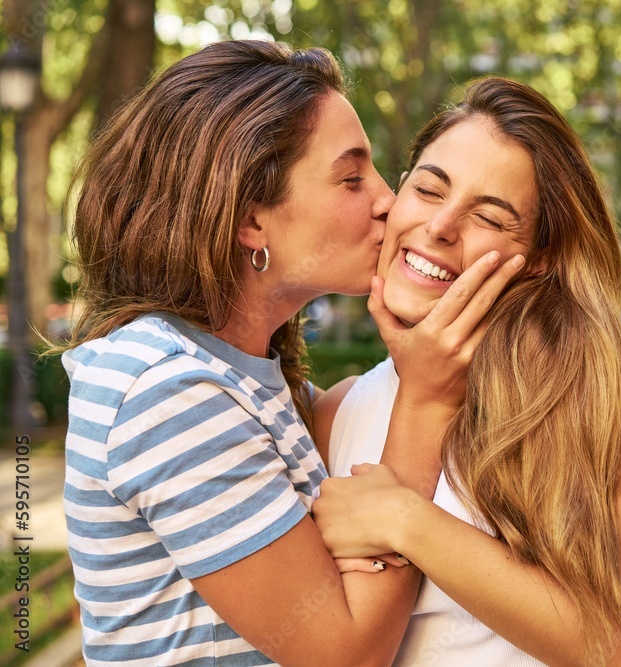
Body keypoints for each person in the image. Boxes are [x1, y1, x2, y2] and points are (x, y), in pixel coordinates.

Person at [59, 40, 522, 666]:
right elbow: (346, 655)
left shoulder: (241, 378)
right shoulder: (167, 391)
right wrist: (426, 400)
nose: (388, 199)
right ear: (252, 220)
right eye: (352, 177)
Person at [312, 77, 621, 666]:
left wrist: (405, 519)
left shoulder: (575, 411)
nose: (441, 227)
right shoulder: (333, 414)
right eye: (428, 189)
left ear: (539, 260)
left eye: (491, 217)